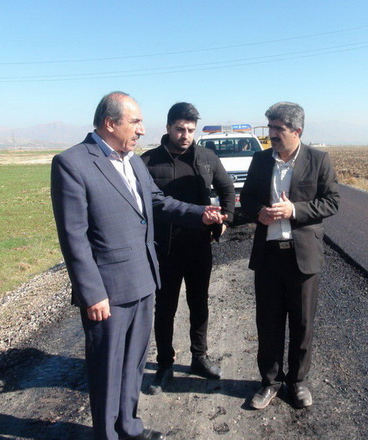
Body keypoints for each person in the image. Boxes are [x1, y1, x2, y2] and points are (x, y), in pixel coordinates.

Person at [50, 92, 226, 440]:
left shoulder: (132, 162)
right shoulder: (72, 163)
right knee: (107, 371)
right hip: (109, 293)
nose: (143, 130)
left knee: (132, 366)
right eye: (136, 122)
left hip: (144, 280)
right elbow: (74, 236)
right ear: (110, 123)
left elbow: (158, 202)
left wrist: (199, 214)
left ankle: (129, 427)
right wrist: (91, 293)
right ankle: (107, 434)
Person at [240, 102, 340, 410]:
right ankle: (269, 382)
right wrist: (260, 213)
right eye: (270, 128)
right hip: (269, 256)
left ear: (297, 131)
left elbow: (332, 201)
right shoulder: (259, 160)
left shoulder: (318, 160)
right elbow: (247, 198)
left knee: (301, 324)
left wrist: (294, 210)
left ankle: (298, 382)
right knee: (268, 324)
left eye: (277, 129)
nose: (271, 134)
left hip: (303, 257)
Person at [140, 102, 235, 393]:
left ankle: (199, 357)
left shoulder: (206, 158)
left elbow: (227, 189)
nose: (185, 135)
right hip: (164, 249)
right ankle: (165, 364)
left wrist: (225, 221)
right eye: (180, 129)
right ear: (168, 128)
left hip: (198, 246)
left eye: (190, 130)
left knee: (199, 302)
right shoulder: (148, 161)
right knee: (165, 307)